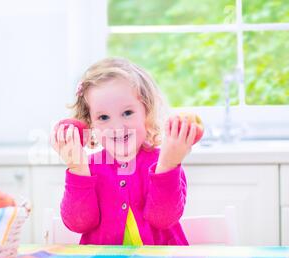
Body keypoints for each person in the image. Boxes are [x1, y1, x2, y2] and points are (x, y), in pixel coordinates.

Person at [50, 57, 196, 245]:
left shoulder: (164, 161)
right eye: (103, 117)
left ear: (147, 111)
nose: (117, 126)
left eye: (127, 113)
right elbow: (78, 224)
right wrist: (77, 168)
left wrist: (168, 165)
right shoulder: (87, 166)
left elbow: (163, 218)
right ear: (90, 123)